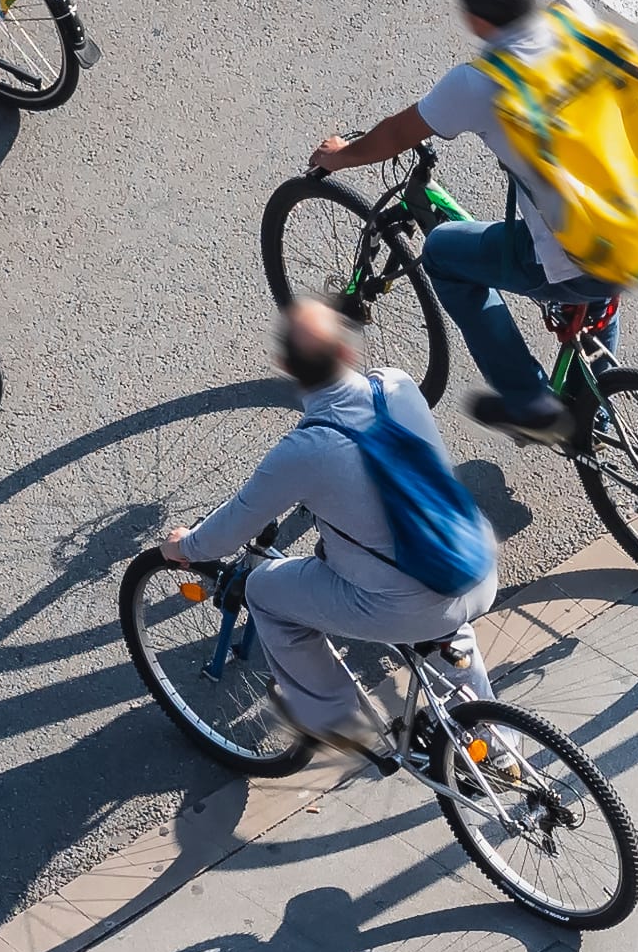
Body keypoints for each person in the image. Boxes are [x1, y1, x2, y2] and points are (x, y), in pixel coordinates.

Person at [155, 300, 501, 751]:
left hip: (412, 604)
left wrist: (186, 546)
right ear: (348, 353)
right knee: (440, 615)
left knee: (263, 590)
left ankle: (331, 717)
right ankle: (495, 744)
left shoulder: (305, 450)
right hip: (473, 562)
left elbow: (233, 526)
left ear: (286, 369)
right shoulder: (396, 385)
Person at [305, 0, 614, 441]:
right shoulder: (575, 16)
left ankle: (533, 406)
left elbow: (391, 137)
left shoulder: (478, 84)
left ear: (475, 19)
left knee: (444, 255)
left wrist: (339, 154)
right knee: (598, 285)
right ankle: (593, 406)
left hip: (579, 250)